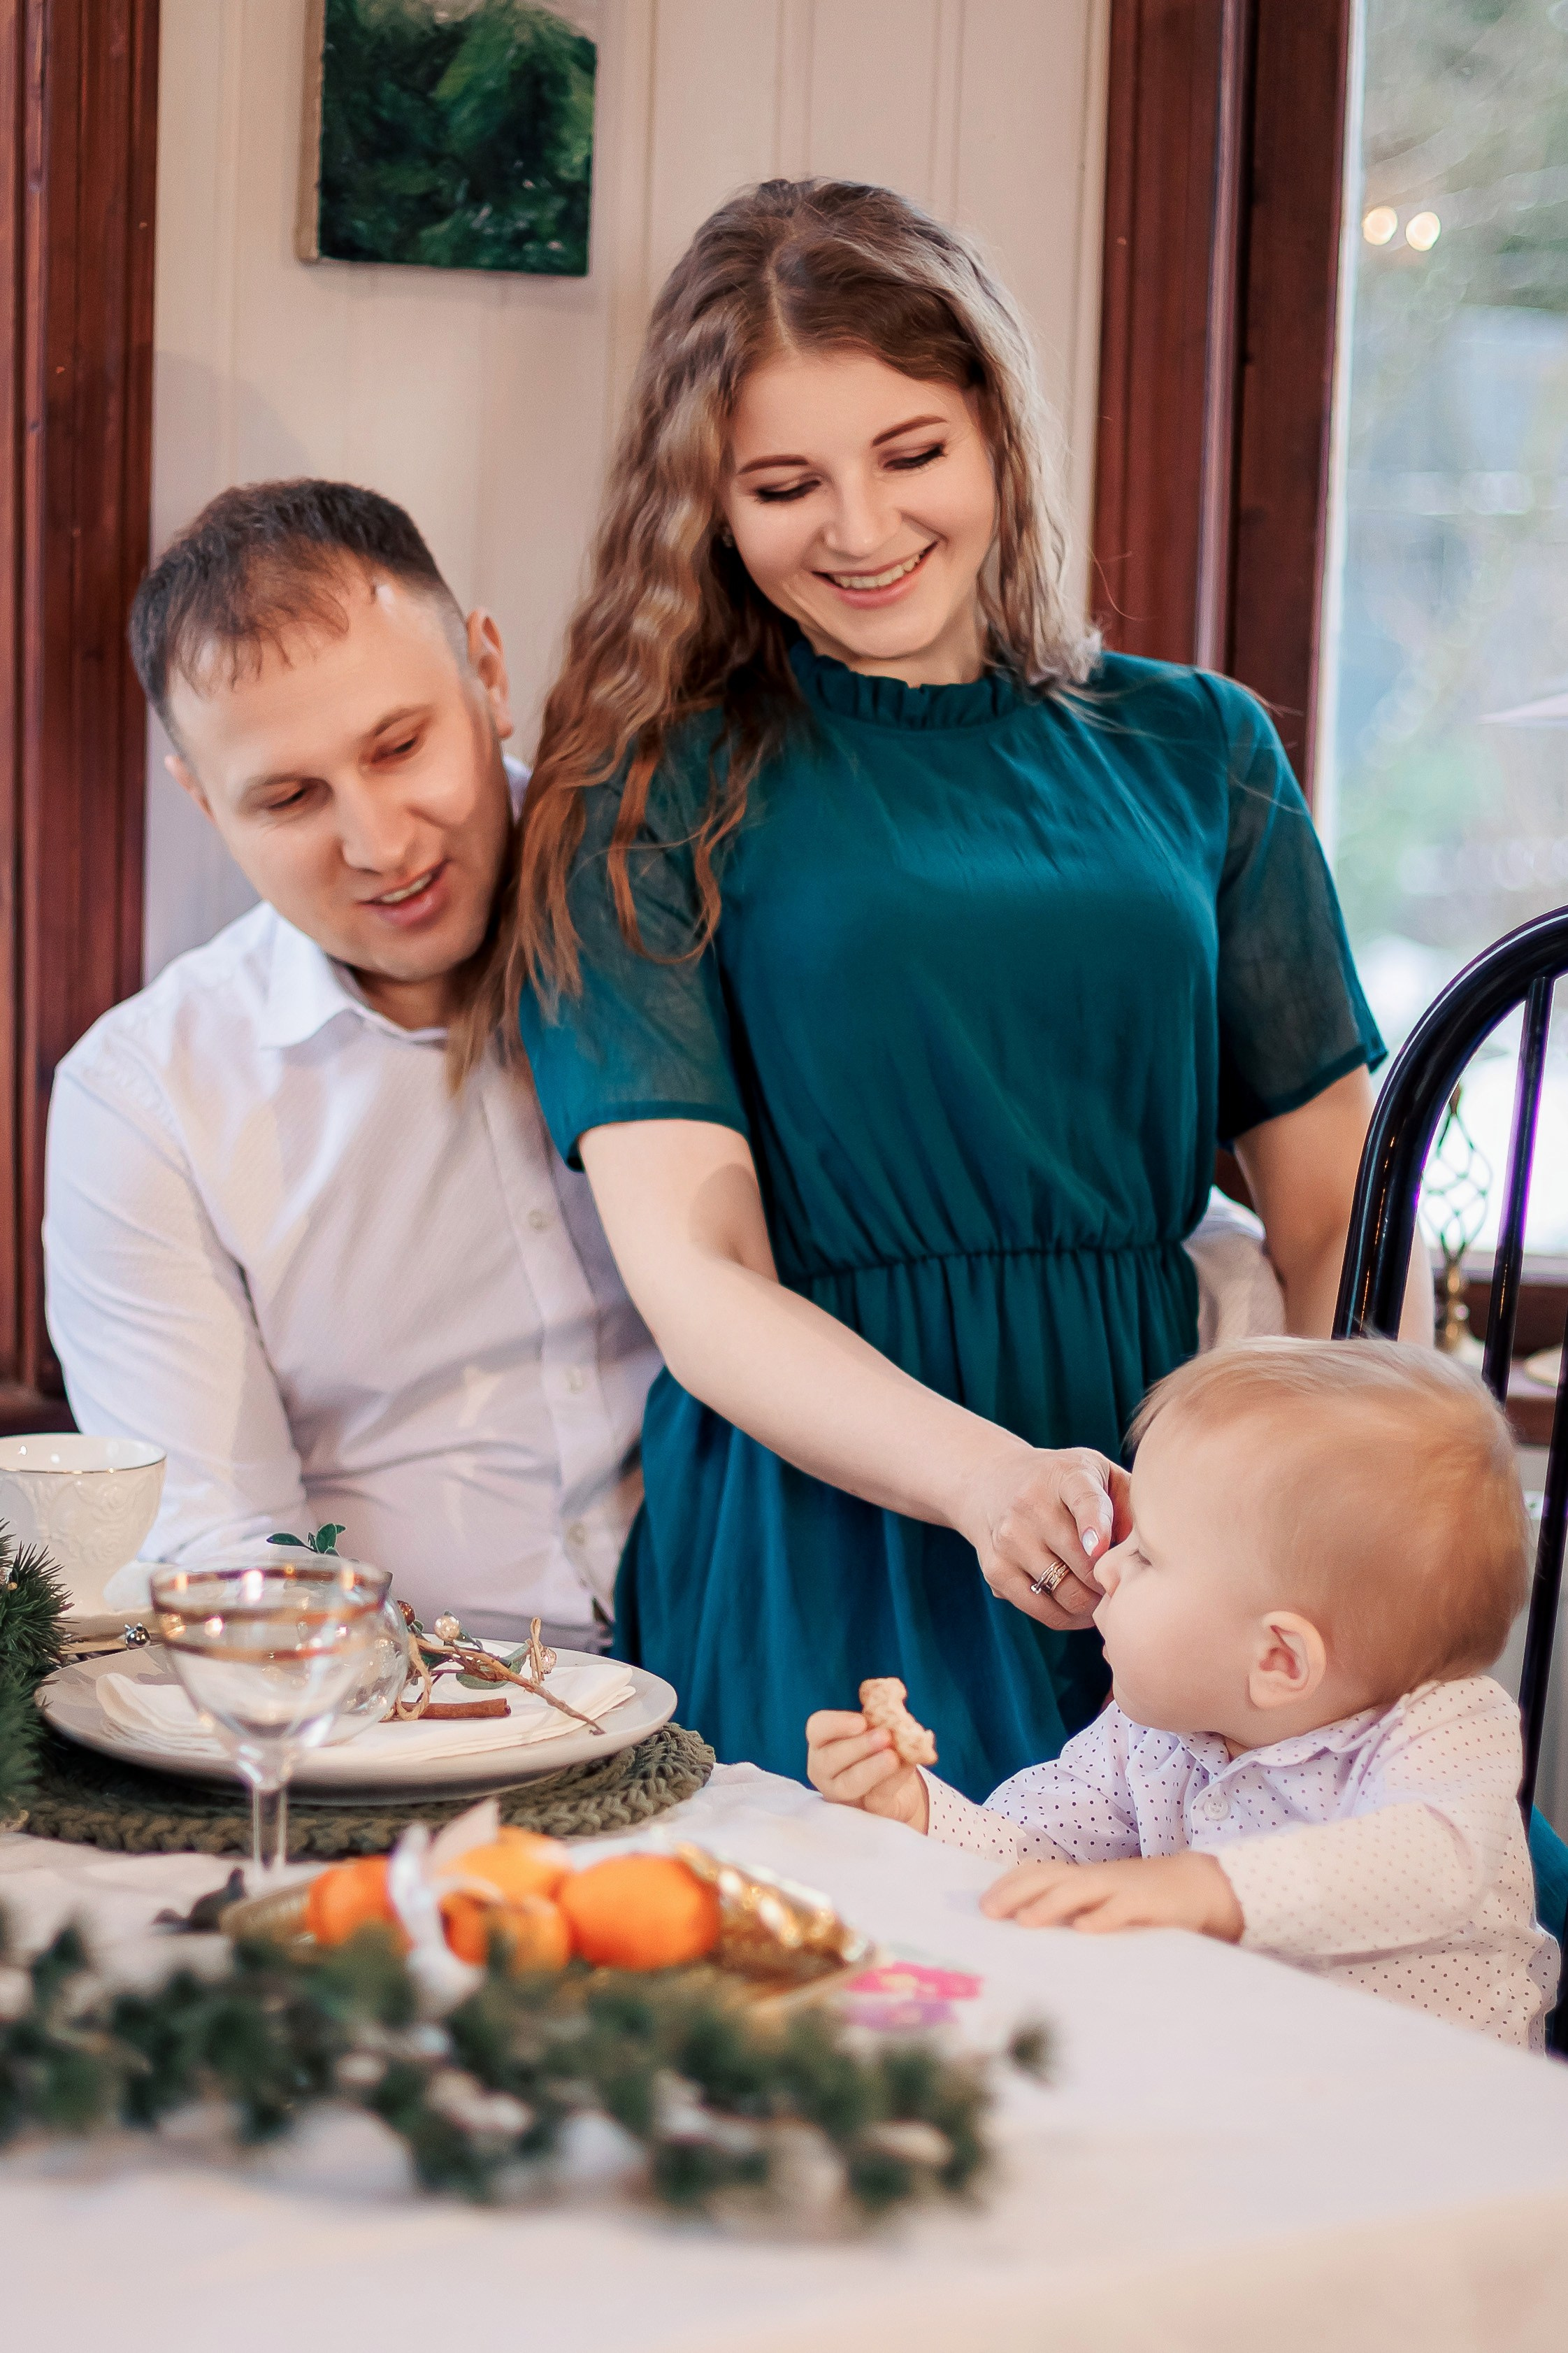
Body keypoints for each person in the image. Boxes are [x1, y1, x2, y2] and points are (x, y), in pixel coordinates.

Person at [498, 177, 1423, 1798]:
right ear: (707, 505)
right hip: (830, 1515)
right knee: (895, 1950)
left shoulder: (1197, 745)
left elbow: (1338, 1216)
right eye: (783, 485)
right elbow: (699, 1276)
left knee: (1362, 1924)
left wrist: (1349, 1524)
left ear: (996, 431)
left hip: (1180, 1519)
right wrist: (984, 1481)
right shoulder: (640, 788)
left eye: (910, 452)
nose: (859, 531)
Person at [44, 481, 658, 1643]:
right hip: (393, 1702)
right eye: (288, 798)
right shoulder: (142, 1102)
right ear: (203, 801)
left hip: (767, 1652)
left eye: (400, 746)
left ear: (488, 672)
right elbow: (221, 1546)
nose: (380, 845)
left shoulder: (682, 912)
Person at [807, 1338, 1558, 2050]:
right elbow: (1042, 1857)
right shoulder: (1154, 1728)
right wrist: (917, 1810)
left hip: (1433, 2108)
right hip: (1239, 2076)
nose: (1106, 1567)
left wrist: (1208, 1888)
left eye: (1147, 1554)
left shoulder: (1446, 1726)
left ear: (1277, 1658)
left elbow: (1432, 1860)